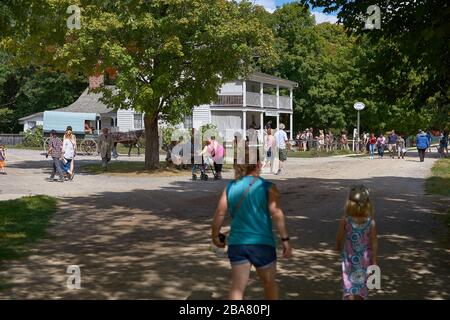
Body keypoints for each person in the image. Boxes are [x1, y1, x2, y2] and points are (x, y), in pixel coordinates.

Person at [211, 151, 292, 300]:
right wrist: (285, 240)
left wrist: (215, 235)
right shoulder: (268, 187)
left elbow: (220, 213)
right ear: (258, 165)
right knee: (269, 283)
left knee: (237, 288)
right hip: (262, 244)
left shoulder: (230, 187)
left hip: (237, 244)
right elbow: (276, 213)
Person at [336, 185, 378, 300]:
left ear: (349, 203)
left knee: (349, 285)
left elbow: (339, 237)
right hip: (364, 260)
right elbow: (374, 242)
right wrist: (374, 260)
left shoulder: (346, 220)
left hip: (349, 258)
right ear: (368, 203)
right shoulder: (371, 223)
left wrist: (338, 246)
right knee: (361, 287)